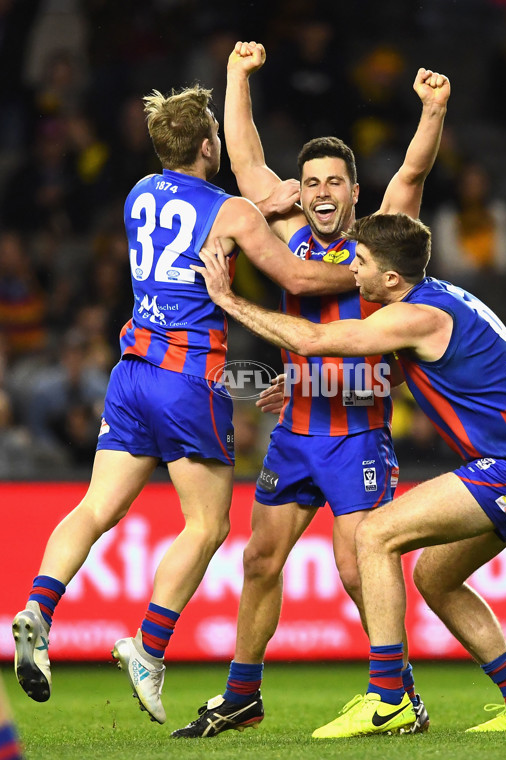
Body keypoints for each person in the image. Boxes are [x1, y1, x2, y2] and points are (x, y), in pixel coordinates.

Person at [11, 81, 357, 725]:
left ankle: (38, 607)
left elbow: (199, 215)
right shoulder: (233, 213)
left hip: (131, 370)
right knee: (207, 526)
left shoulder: (139, 193)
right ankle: (148, 646)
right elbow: (298, 276)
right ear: (206, 145)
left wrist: (262, 201)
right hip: (190, 377)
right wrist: (365, 275)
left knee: (95, 508)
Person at [191, 211, 506, 737]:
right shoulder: (435, 302)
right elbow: (391, 366)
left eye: (363, 261)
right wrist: (314, 386)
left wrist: (227, 299)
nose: (353, 268)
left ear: (391, 279)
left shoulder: (413, 316)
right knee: (434, 578)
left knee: (374, 535)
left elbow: (312, 340)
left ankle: (388, 697)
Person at [172, 40, 450, 739]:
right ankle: (242, 695)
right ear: (303, 192)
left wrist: (433, 110)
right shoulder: (290, 233)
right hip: (296, 432)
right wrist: (236, 77)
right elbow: (244, 159)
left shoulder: (381, 242)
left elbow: (414, 169)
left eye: (336, 182)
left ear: (355, 192)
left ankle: (399, 694)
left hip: (357, 431)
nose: (323, 192)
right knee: (260, 561)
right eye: (313, 182)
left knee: (360, 572)